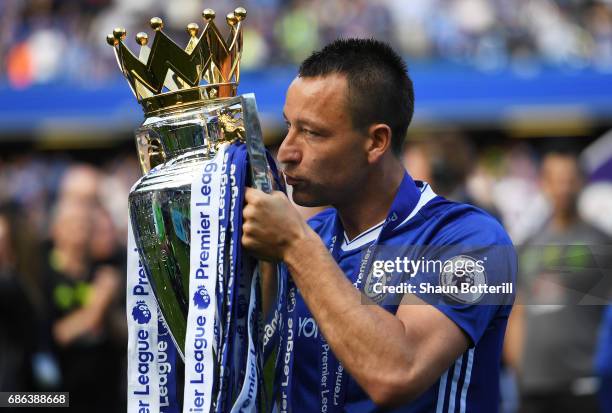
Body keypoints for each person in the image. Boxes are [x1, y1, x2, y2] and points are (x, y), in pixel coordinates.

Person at [242, 38, 516, 412]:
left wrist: (295, 244)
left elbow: (397, 372)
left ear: (376, 141)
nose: (287, 152)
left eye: (312, 132)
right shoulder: (311, 236)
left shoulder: (475, 241)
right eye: (289, 127)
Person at [504, 151, 611, 413]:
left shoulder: (600, 242)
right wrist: (520, 368)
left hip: (584, 382)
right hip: (533, 386)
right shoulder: (528, 245)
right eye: (556, 179)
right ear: (544, 183)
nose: (563, 187)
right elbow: (517, 312)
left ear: (582, 182)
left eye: (570, 179)